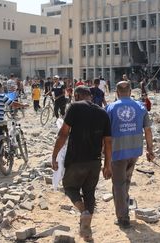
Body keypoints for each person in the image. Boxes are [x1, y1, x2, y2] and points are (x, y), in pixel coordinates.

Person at [52, 86, 112, 242]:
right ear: (90, 96)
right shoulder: (102, 112)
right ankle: (87, 230)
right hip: (94, 162)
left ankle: (83, 212)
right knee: (89, 192)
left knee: (70, 187)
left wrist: (54, 156)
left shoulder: (75, 107)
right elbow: (108, 141)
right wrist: (107, 165)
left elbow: (63, 133)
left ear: (77, 96)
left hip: (76, 160)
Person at [106, 81, 154, 229]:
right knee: (125, 181)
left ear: (117, 92)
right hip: (134, 151)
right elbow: (148, 130)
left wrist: (104, 155)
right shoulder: (140, 107)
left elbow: (105, 135)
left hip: (117, 151)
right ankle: (124, 208)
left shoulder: (110, 108)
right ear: (131, 91)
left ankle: (123, 217)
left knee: (119, 184)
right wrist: (150, 150)